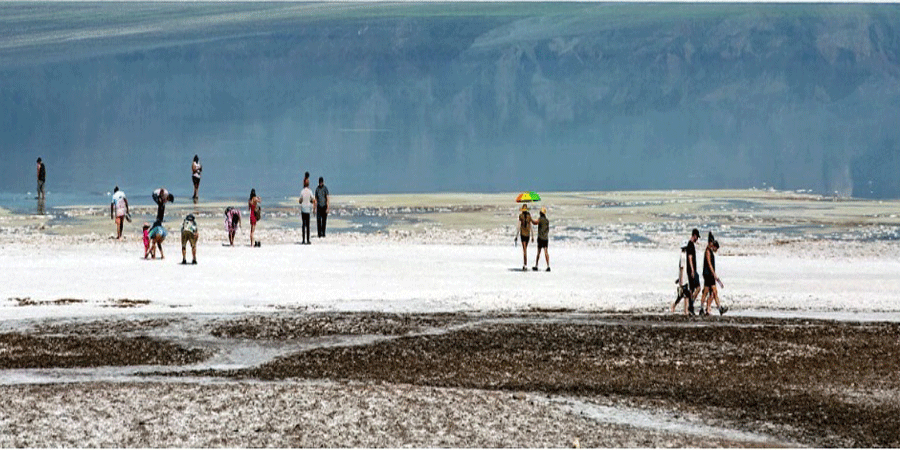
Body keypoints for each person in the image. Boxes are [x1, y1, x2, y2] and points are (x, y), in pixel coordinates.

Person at [673, 229, 701, 315]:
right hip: (691, 270)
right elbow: (689, 258)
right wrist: (692, 270)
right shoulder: (691, 245)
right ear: (694, 235)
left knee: (691, 290)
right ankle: (690, 306)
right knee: (696, 288)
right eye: (697, 237)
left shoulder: (690, 244)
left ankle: (690, 307)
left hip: (690, 271)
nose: (697, 239)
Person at [700, 234, 727, 316]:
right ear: (710, 242)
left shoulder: (709, 251)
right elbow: (709, 264)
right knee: (706, 292)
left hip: (710, 274)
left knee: (714, 292)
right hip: (708, 274)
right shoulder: (707, 251)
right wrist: (714, 274)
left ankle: (718, 308)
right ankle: (702, 309)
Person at [533, 207, 550, 272]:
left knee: (538, 252)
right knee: (546, 252)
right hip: (545, 238)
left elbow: (535, 223)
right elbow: (547, 229)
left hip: (540, 238)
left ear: (541, 213)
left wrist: (530, 219)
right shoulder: (547, 221)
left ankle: (536, 265)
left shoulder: (540, 219)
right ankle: (548, 266)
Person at [299, 178, 315, 244]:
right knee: (308, 225)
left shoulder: (302, 191)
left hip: (303, 209)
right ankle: (308, 240)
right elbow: (313, 200)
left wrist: (302, 201)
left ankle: (303, 240)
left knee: (303, 225)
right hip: (308, 209)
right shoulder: (310, 191)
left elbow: (300, 200)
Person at [518, 204, 533, 271]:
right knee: (525, 249)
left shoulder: (521, 216)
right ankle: (525, 264)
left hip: (523, 234)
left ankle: (525, 264)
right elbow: (531, 226)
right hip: (528, 234)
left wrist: (516, 235)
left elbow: (518, 226)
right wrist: (532, 235)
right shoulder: (529, 216)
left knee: (524, 250)